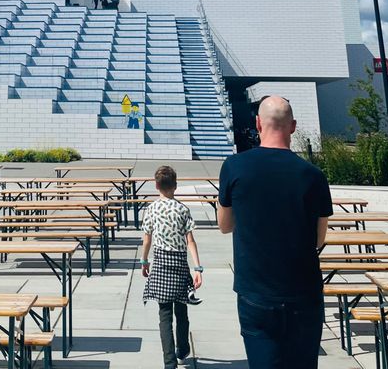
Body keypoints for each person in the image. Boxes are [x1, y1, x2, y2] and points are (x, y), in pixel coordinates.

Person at [218, 95, 332, 369]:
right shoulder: (313, 175)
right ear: (292, 126)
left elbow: (225, 225)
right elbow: (319, 238)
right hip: (303, 292)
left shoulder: (234, 167)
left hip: (256, 292)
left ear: (257, 123)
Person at [142, 165, 203, 369]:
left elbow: (147, 239)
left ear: (156, 185)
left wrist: (144, 261)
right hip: (179, 264)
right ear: (175, 186)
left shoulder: (151, 209)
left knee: (164, 315)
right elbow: (190, 241)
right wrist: (198, 268)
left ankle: (169, 362)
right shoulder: (182, 209)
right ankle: (183, 350)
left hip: (160, 262)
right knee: (182, 310)